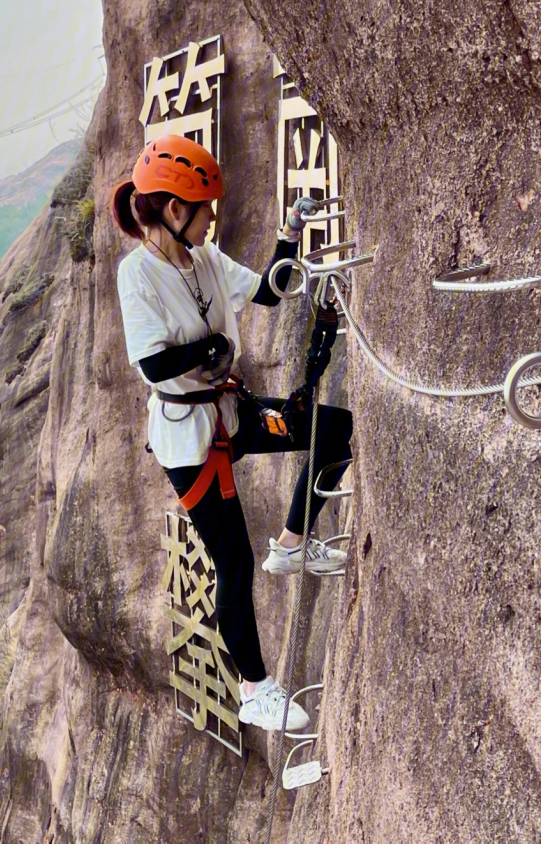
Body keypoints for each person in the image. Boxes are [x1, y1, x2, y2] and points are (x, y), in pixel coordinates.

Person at [112, 134, 353, 733]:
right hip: (188, 439)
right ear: (174, 210)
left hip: (229, 411)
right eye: (204, 209)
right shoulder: (137, 274)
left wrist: (291, 233)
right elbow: (152, 364)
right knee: (234, 561)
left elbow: (270, 290)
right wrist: (210, 347)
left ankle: (293, 544)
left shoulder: (208, 259)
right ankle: (255, 689)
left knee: (334, 430)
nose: (211, 218)